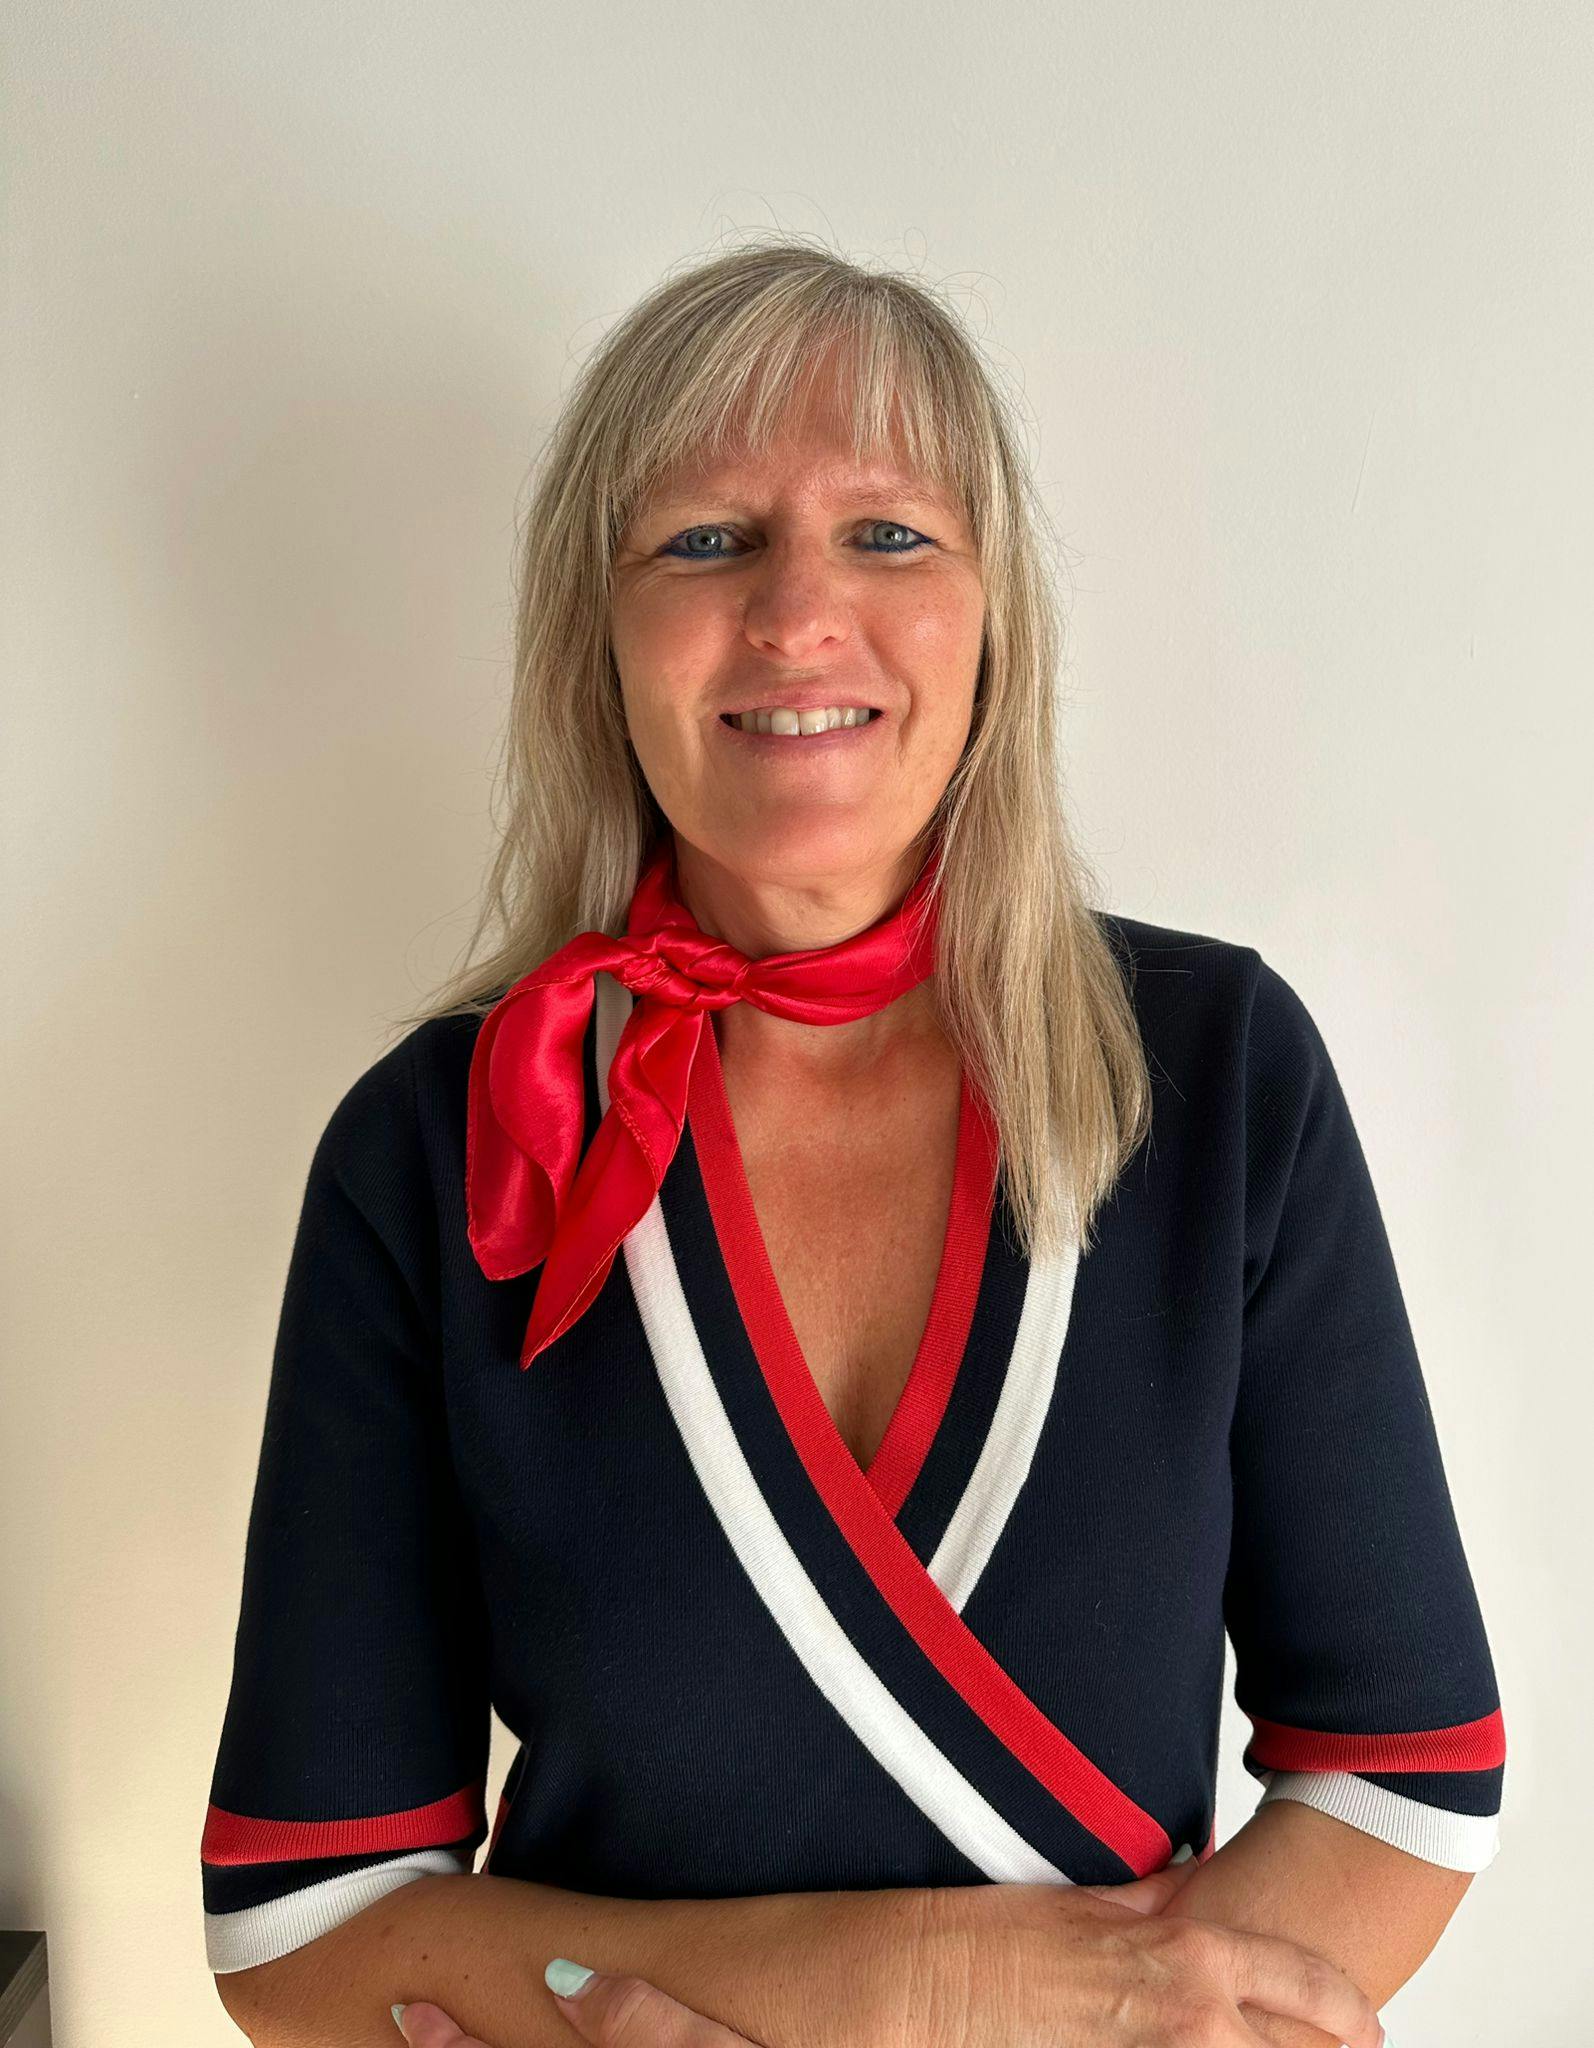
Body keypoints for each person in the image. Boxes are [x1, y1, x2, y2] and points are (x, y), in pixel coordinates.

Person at [202, 238, 1503, 2048]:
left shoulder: (1217, 1071)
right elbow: (302, 1923)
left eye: (888, 533)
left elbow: (1401, 1779)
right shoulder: (441, 1147)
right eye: (703, 539)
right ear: (599, 635)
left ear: (993, 621)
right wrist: (919, 1987)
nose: (797, 612)